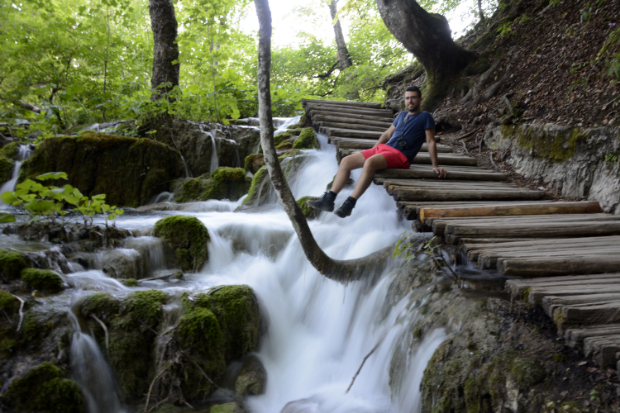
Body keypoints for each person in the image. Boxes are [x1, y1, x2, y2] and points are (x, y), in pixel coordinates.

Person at [308, 85, 447, 218]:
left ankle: (350, 204)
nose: (410, 101)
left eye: (413, 97)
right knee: (346, 161)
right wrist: (375, 149)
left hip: (401, 155)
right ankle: (329, 199)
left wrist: (435, 165)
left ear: (420, 99)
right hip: (385, 149)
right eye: (407, 98)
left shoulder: (425, 116)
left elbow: (430, 141)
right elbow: (387, 134)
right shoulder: (402, 115)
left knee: (371, 162)